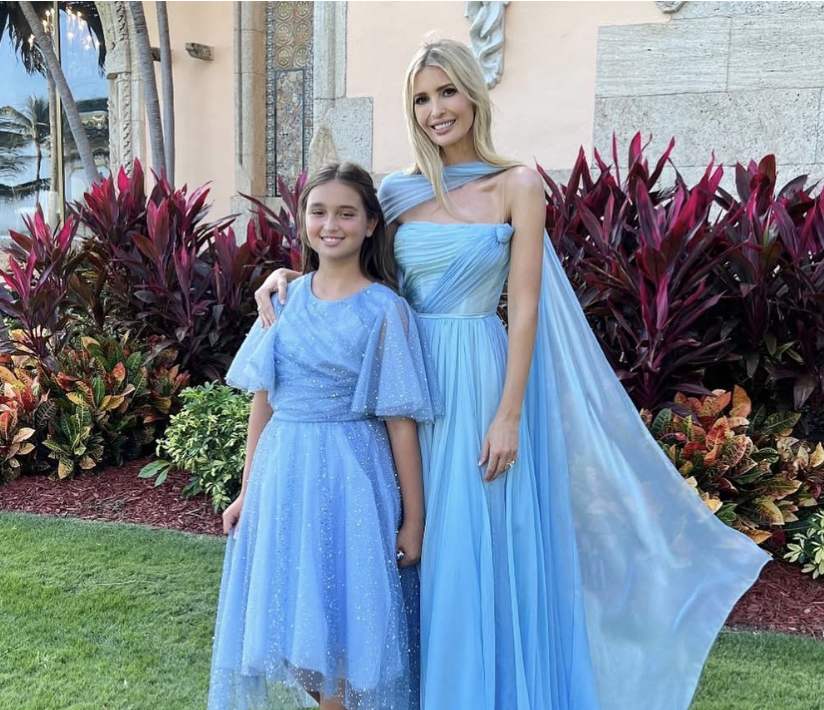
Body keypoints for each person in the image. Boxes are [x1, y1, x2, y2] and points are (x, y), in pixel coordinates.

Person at [254, 39, 770, 710]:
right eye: (421, 98)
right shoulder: (398, 191)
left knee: (466, 547)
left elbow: (524, 307)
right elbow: (357, 270)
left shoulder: (518, 185)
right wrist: (289, 275)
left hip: (475, 378)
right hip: (400, 381)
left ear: (473, 94)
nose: (436, 109)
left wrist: (507, 413)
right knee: (403, 537)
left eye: (447, 91)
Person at [208, 162, 440, 710]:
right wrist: (246, 490)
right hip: (283, 473)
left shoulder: (386, 310)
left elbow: (401, 423)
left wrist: (414, 519)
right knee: (291, 624)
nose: (330, 225)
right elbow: (263, 402)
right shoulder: (281, 301)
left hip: (350, 474)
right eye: (318, 212)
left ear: (370, 224)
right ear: (302, 220)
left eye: (346, 213)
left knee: (345, 623)